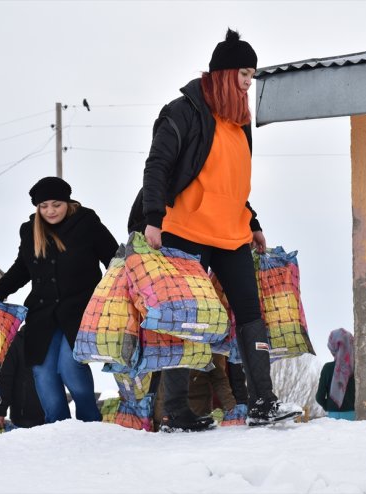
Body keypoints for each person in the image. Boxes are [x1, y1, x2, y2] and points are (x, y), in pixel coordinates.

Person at [141, 28, 302, 431]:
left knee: (250, 313)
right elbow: (157, 165)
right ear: (224, 73)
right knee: (184, 319)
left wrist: (254, 222)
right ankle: (175, 412)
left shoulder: (239, 123)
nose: (249, 82)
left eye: (252, 75)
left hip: (231, 233)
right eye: (244, 73)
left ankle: (262, 402)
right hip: (185, 230)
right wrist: (152, 218)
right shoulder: (183, 111)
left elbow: (231, 182)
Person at [0, 176, 119, 423]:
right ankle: (57, 427)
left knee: (70, 366)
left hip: (80, 311)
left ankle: (90, 421)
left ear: (67, 202)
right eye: (44, 206)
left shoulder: (86, 222)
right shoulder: (30, 231)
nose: (50, 211)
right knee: (43, 371)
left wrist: (116, 294)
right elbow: (22, 270)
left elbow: (113, 259)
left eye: (56, 204)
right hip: (43, 315)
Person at [0, 327, 45, 429]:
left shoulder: (53, 340)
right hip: (24, 416)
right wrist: (0, 411)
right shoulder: (17, 341)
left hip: (48, 415)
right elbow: (6, 378)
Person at [316, 328, 356, 420]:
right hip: (353, 416)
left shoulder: (327, 368)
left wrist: (330, 406)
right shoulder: (356, 368)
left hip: (333, 417)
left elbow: (319, 397)